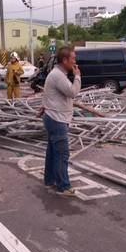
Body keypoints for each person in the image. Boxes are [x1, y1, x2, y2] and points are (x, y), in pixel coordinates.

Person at [38, 47, 81, 196]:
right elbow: (73, 92)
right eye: (73, 59)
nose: (75, 62)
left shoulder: (56, 74)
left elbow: (49, 95)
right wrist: (77, 77)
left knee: (52, 151)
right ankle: (63, 186)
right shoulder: (58, 75)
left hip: (54, 117)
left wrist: (44, 106)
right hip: (57, 119)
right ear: (64, 60)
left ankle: (49, 179)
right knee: (62, 153)